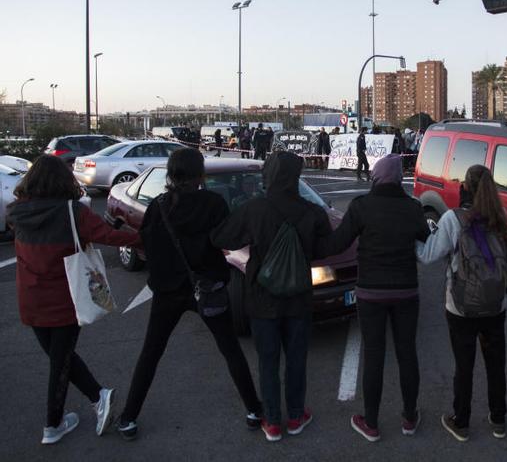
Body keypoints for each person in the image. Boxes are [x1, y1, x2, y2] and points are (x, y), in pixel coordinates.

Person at [116, 148, 262, 441]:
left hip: (168, 291)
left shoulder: (159, 206)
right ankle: (253, 410)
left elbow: (148, 243)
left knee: (151, 353)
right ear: (200, 174)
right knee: (230, 349)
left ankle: (129, 417)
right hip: (207, 287)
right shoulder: (213, 203)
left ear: (171, 174)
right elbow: (226, 239)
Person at [8, 155, 141, 445]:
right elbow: (108, 235)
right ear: (62, 181)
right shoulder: (71, 212)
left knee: (60, 358)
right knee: (61, 361)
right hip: (67, 298)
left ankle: (97, 397)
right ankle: (53, 425)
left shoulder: (18, 212)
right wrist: (144, 239)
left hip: (30, 300)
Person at [212, 151, 331, 442]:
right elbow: (326, 247)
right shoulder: (311, 211)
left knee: (267, 360)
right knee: (296, 359)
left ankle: (273, 422)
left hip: (262, 296)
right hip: (299, 296)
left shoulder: (254, 208)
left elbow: (222, 238)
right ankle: (296, 414)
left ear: (270, 174)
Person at [318, 154, 430, 442]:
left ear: (377, 176)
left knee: (374, 355)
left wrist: (310, 237)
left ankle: (371, 422)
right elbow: (425, 238)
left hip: (370, 292)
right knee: (407, 354)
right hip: (406, 291)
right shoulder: (413, 208)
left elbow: (337, 243)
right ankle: (409, 417)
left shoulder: (361, 207)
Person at [416, 165, 507, 442]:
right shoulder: (501, 215)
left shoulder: (452, 219)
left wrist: (415, 235)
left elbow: (428, 255)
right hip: (496, 302)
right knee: (496, 363)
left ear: (466, 188)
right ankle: (498, 419)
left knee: (464, 364)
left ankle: (461, 420)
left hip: (461, 305)